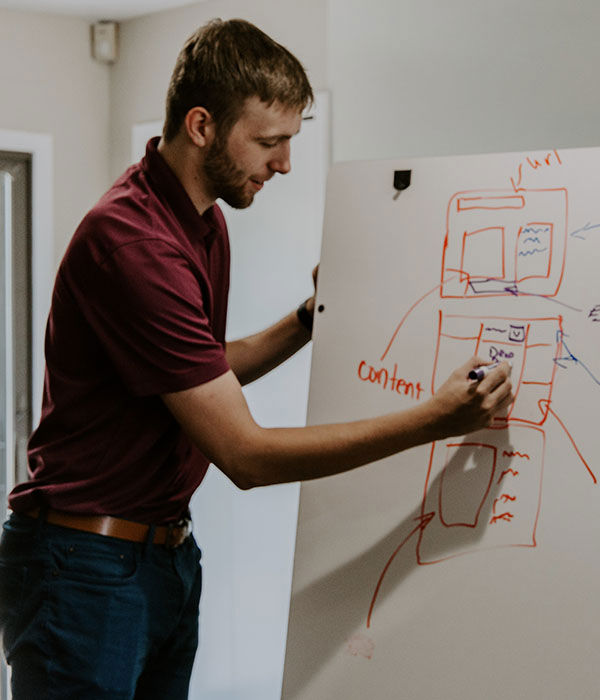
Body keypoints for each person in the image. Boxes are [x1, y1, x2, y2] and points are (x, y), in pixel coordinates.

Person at [0, 17, 513, 700]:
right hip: (84, 566)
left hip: (163, 557)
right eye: (270, 142)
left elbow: (202, 370)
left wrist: (309, 319)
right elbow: (244, 455)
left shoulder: (201, 221)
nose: (284, 164)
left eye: (290, 142)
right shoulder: (134, 243)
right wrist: (434, 421)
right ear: (203, 126)